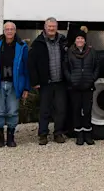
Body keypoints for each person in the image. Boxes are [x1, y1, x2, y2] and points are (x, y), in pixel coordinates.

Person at [28, 17, 68, 145]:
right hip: (46, 82)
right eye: (49, 26)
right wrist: (35, 81)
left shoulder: (62, 41)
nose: (51, 29)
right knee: (44, 109)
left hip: (61, 81)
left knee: (61, 109)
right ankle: (43, 134)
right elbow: (31, 64)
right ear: (45, 27)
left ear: (57, 27)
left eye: (53, 26)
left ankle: (58, 133)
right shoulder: (38, 43)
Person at [0, 21, 29, 148]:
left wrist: (26, 87)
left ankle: (11, 138)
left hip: (15, 84)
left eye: (12, 29)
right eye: (7, 29)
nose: (9, 31)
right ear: (3, 31)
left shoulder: (22, 46)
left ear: (15, 30)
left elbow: (26, 67)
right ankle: (0, 139)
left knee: (13, 111)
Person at [63, 26, 99, 146]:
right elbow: (66, 67)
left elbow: (96, 66)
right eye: (78, 38)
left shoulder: (91, 51)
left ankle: (88, 135)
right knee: (76, 110)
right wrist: (71, 79)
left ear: (85, 40)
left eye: (82, 38)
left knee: (87, 111)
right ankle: (79, 135)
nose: (80, 40)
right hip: (75, 86)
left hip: (88, 86)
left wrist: (92, 78)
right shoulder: (70, 52)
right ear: (75, 40)